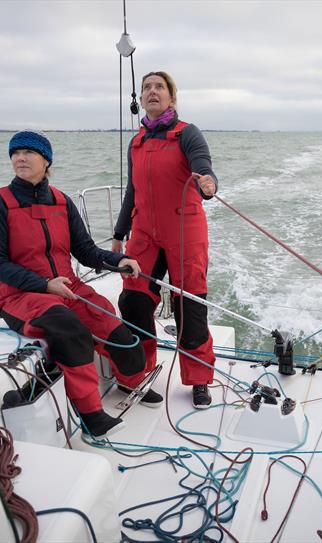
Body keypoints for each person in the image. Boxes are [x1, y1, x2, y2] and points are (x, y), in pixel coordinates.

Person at [0, 130, 163, 438]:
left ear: (46, 161)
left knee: (110, 320)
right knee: (69, 328)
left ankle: (131, 382)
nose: (20, 158)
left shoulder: (62, 202)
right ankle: (91, 416)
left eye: (28, 152)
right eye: (15, 153)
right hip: (21, 296)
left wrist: (120, 261)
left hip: (69, 287)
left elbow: (86, 250)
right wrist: (44, 284)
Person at [111, 71, 218, 409]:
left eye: (159, 87)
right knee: (133, 302)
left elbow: (203, 165)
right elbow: (132, 191)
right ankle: (137, 374)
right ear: (141, 99)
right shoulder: (137, 142)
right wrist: (118, 233)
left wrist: (208, 183)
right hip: (144, 233)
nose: (152, 92)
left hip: (184, 230)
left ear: (171, 97)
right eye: (146, 88)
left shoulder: (187, 133)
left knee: (190, 307)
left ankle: (199, 379)